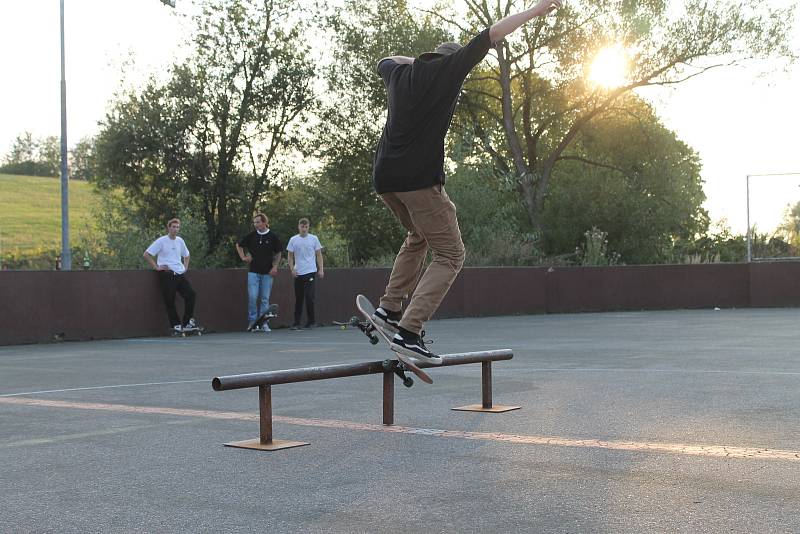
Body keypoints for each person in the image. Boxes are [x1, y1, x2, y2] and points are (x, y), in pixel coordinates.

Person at [371, 0, 562, 363]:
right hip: (417, 180)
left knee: (418, 237)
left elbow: (387, 59)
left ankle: (389, 308)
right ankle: (410, 331)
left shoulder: (398, 75)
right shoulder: (449, 70)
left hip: (385, 179)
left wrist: (415, 62)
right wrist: (536, 10)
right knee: (451, 253)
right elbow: (492, 34)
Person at [143, 218, 199, 333]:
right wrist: (157, 267)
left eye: (177, 227)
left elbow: (187, 255)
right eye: (173, 227)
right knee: (170, 300)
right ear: (169, 228)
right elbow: (147, 254)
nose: (175, 229)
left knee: (191, 295)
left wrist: (185, 267)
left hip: (179, 273)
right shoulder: (161, 241)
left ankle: (187, 322)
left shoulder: (180, 241)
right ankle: (176, 325)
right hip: (167, 275)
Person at [235, 213, 284, 331]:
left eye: (257, 222)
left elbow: (278, 253)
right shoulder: (251, 236)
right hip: (253, 272)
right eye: (254, 222)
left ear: (264, 222)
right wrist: (243, 257)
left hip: (267, 273)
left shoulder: (272, 236)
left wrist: (275, 267)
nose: (255, 224)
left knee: (264, 298)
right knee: (252, 296)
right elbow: (239, 244)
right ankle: (252, 321)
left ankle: (264, 323)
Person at [286, 218, 324, 329]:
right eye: (302, 227)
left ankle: (311, 321)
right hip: (298, 273)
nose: (304, 229)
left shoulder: (314, 239)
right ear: (299, 227)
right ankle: (296, 323)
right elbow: (290, 256)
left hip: (310, 271)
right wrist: (292, 269)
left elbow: (319, 255)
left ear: (308, 227)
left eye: (306, 227)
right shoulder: (293, 240)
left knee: (309, 297)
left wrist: (321, 269)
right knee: (299, 298)